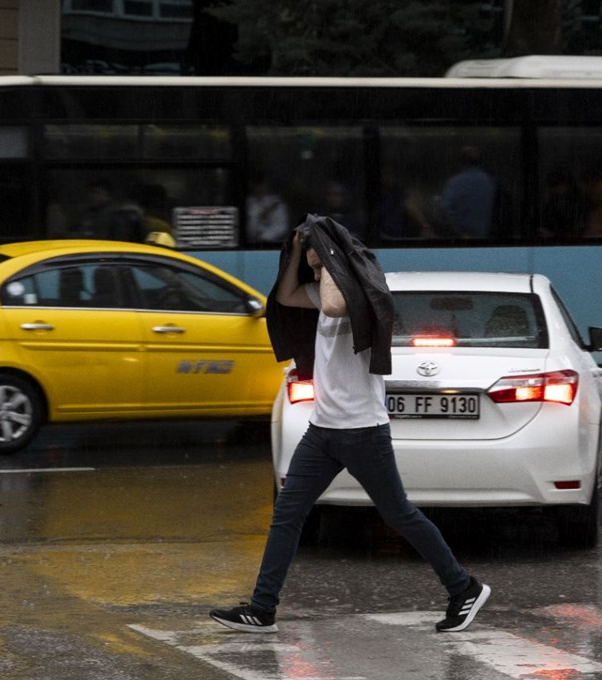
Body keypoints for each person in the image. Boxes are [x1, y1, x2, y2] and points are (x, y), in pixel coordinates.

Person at [209, 214, 490, 635]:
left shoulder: (359, 295)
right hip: (323, 431)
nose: (313, 267)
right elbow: (285, 296)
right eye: (312, 262)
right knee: (287, 512)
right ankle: (262, 608)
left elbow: (335, 304)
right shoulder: (322, 297)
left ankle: (464, 587)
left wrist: (325, 259)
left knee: (400, 514)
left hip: (362, 432)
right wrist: (298, 252)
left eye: (319, 262)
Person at [439, 146, 495, 239]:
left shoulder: (455, 182)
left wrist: (459, 231)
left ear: (461, 162)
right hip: (485, 236)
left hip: (462, 236)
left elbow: (445, 209)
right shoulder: (489, 181)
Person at [78, 178, 144, 242]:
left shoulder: (117, 217)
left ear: (107, 196)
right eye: (91, 193)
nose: (92, 196)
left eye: (97, 193)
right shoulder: (88, 214)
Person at [539, 167, 589, 240]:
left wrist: (555, 236)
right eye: (553, 186)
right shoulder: (551, 204)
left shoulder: (580, 203)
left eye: (558, 185)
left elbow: (581, 229)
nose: (556, 189)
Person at [246, 173, 290, 243]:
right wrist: (260, 215)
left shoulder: (278, 204)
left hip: (272, 244)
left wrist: (266, 236)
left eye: (261, 185)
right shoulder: (249, 203)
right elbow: (249, 227)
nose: (259, 188)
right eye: (256, 185)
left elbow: (282, 227)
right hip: (252, 244)